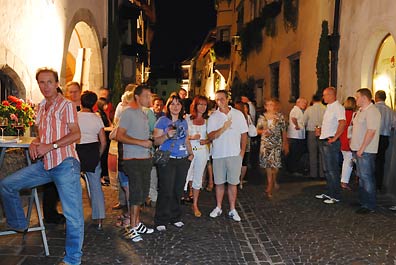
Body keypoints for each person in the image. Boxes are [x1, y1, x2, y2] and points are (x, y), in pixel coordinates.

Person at [0, 67, 84, 265]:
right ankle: (20, 224)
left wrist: (50, 145)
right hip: (46, 165)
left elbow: (76, 134)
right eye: (41, 82)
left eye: (49, 82)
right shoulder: (41, 106)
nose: (45, 86)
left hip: (65, 163)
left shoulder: (67, 105)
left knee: (73, 216)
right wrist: (35, 142)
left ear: (56, 84)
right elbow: (42, 134)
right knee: (7, 184)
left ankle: (73, 259)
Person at [116, 84, 155, 242]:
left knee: (142, 193)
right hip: (133, 160)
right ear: (137, 97)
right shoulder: (128, 113)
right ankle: (132, 227)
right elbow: (120, 135)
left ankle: (137, 223)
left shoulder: (143, 113)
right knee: (136, 194)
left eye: (150, 95)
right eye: (147, 96)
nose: (149, 98)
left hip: (145, 158)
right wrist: (141, 143)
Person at [153, 94, 194, 231]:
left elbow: (186, 139)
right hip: (167, 159)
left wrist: (191, 153)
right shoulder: (162, 121)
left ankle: (175, 216)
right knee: (166, 190)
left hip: (182, 159)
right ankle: (161, 219)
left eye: (178, 104)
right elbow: (156, 141)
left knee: (178, 190)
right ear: (168, 106)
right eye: (173, 104)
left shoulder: (184, 122)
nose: (175, 107)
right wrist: (167, 135)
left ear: (181, 106)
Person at [207, 90, 248, 222]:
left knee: (232, 183)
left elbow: (244, 134)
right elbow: (210, 136)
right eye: (217, 99)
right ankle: (218, 207)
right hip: (218, 154)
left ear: (227, 99)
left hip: (234, 154)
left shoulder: (238, 114)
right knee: (219, 183)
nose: (220, 102)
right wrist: (223, 128)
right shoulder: (214, 117)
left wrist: (242, 151)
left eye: (222, 99)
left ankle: (232, 209)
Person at [76, 90, 107, 231]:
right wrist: (98, 154)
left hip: (77, 152)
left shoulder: (75, 117)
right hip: (92, 152)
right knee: (96, 187)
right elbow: (103, 141)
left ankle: (75, 217)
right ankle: (99, 218)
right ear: (94, 104)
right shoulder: (96, 118)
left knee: (73, 187)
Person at [350, 88, 381, 214]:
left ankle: (370, 205)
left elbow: (371, 131)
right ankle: (363, 201)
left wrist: (362, 148)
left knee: (367, 178)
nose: (356, 99)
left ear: (364, 97)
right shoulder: (361, 111)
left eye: (357, 97)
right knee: (361, 177)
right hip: (358, 149)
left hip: (366, 150)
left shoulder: (372, 111)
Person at [315, 87, 346, 204]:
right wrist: (321, 131)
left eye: (325, 95)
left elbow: (342, 123)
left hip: (330, 143)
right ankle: (329, 192)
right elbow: (331, 125)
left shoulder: (338, 107)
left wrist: (335, 138)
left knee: (332, 169)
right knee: (327, 169)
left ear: (331, 95)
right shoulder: (329, 108)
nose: (323, 97)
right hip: (324, 140)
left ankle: (335, 195)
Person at [256, 98, 289, 198]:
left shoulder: (280, 117)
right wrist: (263, 132)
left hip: (276, 143)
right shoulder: (262, 117)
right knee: (268, 165)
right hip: (265, 143)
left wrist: (285, 143)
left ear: (275, 105)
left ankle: (274, 180)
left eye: (272, 104)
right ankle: (270, 184)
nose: (270, 106)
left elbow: (283, 131)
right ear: (265, 106)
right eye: (268, 105)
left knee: (276, 165)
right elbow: (257, 130)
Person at [185, 95, 210, 217]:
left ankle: (195, 204)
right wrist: (191, 137)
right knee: (185, 175)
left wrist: (207, 141)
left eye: (205, 104)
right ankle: (183, 196)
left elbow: (212, 136)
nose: (202, 107)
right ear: (195, 105)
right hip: (189, 151)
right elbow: (182, 135)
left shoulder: (208, 120)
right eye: (200, 104)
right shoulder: (187, 119)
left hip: (202, 151)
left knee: (198, 177)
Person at [374, 90, 395, 192]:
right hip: (385, 138)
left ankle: (370, 184)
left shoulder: (373, 108)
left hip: (373, 137)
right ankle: (378, 184)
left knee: (371, 160)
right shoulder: (390, 110)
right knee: (381, 161)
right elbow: (393, 125)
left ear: (376, 97)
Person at [303, 94, 326, 179]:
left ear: (312, 100)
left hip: (311, 132)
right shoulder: (325, 108)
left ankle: (313, 173)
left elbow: (304, 121)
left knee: (312, 153)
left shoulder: (309, 109)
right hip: (322, 132)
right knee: (322, 153)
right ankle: (322, 173)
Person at [234, 101, 253, 189]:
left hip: (236, 141)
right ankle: (241, 180)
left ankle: (235, 179)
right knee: (244, 162)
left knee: (236, 161)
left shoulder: (235, 116)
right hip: (246, 142)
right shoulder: (247, 117)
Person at [286, 97, 308, 175]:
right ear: (298, 103)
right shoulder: (296, 110)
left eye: (306, 103)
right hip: (295, 135)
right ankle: (293, 169)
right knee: (295, 153)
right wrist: (297, 125)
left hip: (297, 135)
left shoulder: (299, 110)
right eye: (304, 103)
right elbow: (293, 118)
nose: (305, 105)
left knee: (295, 153)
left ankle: (292, 169)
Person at [340, 96, 357, 190]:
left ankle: (343, 179)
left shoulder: (342, 113)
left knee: (345, 160)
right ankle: (344, 181)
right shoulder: (354, 114)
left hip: (342, 137)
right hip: (350, 138)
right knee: (348, 161)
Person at [96, 97, 112, 186]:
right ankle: (101, 176)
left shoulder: (104, 114)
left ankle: (105, 175)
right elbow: (100, 127)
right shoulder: (98, 114)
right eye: (105, 104)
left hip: (107, 137)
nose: (107, 106)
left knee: (105, 157)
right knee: (102, 157)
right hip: (102, 137)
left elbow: (109, 123)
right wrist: (109, 128)